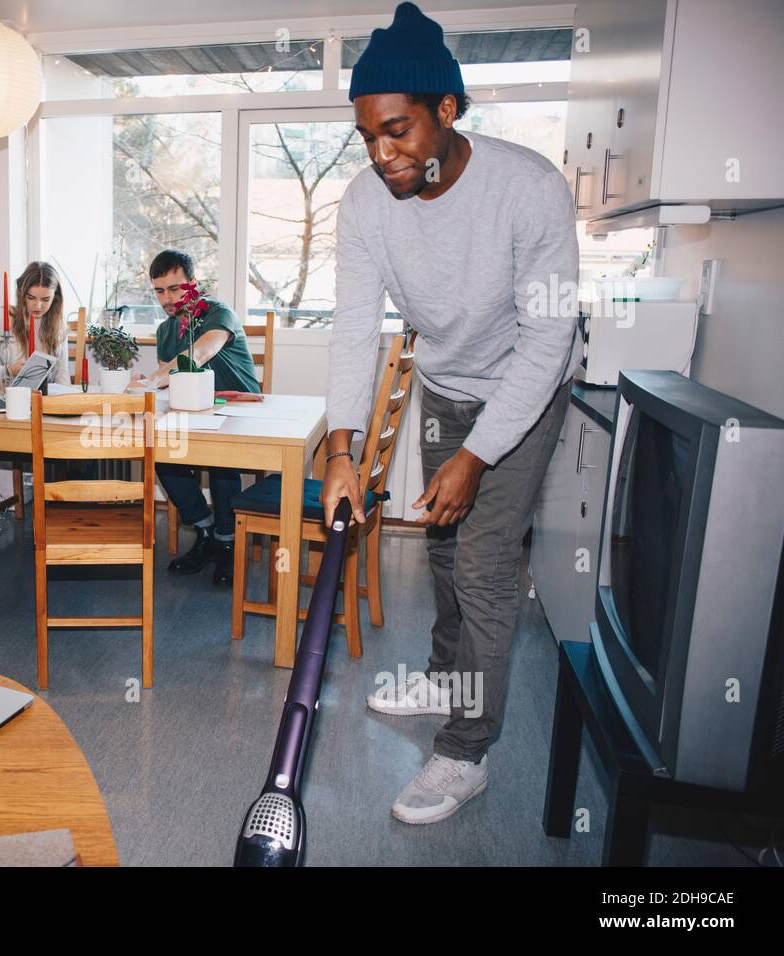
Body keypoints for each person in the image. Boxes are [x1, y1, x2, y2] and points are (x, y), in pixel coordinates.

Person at [321, 2, 580, 824]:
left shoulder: (531, 190)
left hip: (526, 393)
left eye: (397, 130)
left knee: (481, 564)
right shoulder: (366, 206)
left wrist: (478, 457)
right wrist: (339, 453)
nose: (383, 153)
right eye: (367, 137)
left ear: (447, 109)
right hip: (446, 385)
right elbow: (355, 331)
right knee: (440, 544)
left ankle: (466, 750)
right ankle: (445, 672)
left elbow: (550, 339)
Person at [132, 250, 260, 587]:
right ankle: (204, 530)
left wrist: (154, 379)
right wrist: (144, 382)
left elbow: (199, 354)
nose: (168, 299)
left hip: (240, 409)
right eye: (159, 291)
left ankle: (227, 542)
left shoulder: (220, 313)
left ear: (194, 285)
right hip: (192, 411)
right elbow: (168, 378)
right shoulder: (166, 331)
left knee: (221, 460)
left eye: (175, 288)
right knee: (159, 451)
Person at [0, 261, 70, 385]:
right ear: (22, 294)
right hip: (4, 397)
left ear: (55, 298)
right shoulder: (4, 317)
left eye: (45, 299)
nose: (38, 306)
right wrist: (8, 370)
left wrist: (66, 401)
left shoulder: (58, 325)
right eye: (31, 298)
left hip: (42, 400)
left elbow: (63, 375)